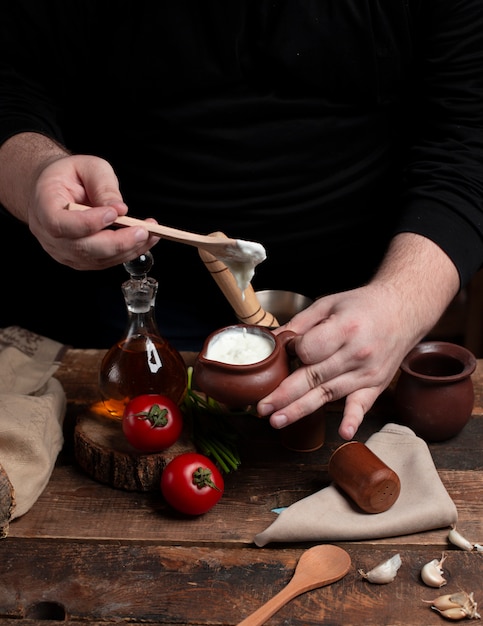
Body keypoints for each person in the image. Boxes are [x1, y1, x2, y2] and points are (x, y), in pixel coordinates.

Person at [0, 1, 482, 441]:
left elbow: (469, 137)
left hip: (358, 315)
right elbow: (12, 81)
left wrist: (400, 302)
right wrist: (35, 175)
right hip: (108, 312)